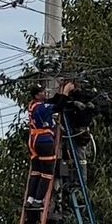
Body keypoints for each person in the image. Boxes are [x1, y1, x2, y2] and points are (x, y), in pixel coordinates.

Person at [25, 80, 75, 209]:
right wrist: (65, 93)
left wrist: (61, 93)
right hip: (44, 141)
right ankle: (38, 200)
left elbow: (52, 101)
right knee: (47, 172)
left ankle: (30, 199)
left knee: (36, 171)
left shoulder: (33, 105)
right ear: (37, 95)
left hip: (33, 141)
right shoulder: (41, 107)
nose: (45, 93)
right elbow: (57, 107)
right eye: (42, 92)